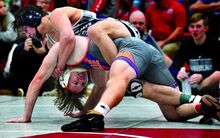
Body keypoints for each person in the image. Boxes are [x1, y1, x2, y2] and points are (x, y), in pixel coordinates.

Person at [4, 34, 217, 124]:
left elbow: (36, 81)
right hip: (139, 61)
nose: (80, 80)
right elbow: (98, 89)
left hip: (133, 50)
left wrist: (26, 116)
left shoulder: (62, 52)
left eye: (74, 82)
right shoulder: (92, 69)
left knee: (128, 84)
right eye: (81, 84)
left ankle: (196, 100)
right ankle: (205, 105)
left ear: (63, 78)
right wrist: (84, 111)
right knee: (171, 114)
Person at [13, 5, 140, 78]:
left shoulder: (56, 14)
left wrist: (60, 66)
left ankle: (121, 76)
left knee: (93, 31)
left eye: (25, 30)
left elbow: (68, 37)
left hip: (123, 32)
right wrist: (60, 71)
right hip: (112, 52)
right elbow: (80, 64)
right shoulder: (51, 44)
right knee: (98, 80)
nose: (28, 35)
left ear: (33, 20)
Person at [170, 13, 220, 97]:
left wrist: (202, 76)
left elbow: (218, 70)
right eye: (192, 26)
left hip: (211, 84)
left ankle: (194, 94)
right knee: (174, 72)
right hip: (192, 83)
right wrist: (180, 71)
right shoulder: (186, 45)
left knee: (217, 75)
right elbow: (174, 66)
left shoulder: (215, 44)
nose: (194, 30)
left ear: (206, 28)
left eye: (198, 26)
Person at [0, 0, 18, 90]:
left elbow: (11, 36)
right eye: (0, 7)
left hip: (9, 45)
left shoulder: (10, 17)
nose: (4, 9)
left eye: (4, 6)